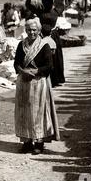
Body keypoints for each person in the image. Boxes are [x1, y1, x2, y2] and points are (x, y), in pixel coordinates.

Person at [14, 18, 60, 155]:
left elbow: (49, 66)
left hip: (38, 83)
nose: (31, 32)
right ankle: (27, 142)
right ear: (25, 31)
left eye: (34, 30)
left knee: (38, 113)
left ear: (39, 31)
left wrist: (35, 71)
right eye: (28, 30)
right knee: (24, 113)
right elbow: (16, 63)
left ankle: (39, 143)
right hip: (23, 83)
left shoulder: (44, 46)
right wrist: (22, 71)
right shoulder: (21, 45)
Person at [25, 0, 65, 87]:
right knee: (48, 58)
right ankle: (50, 79)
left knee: (54, 58)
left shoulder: (44, 10)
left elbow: (62, 3)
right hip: (44, 35)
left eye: (47, 1)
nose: (45, 3)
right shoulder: (52, 10)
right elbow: (28, 4)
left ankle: (55, 80)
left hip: (51, 35)